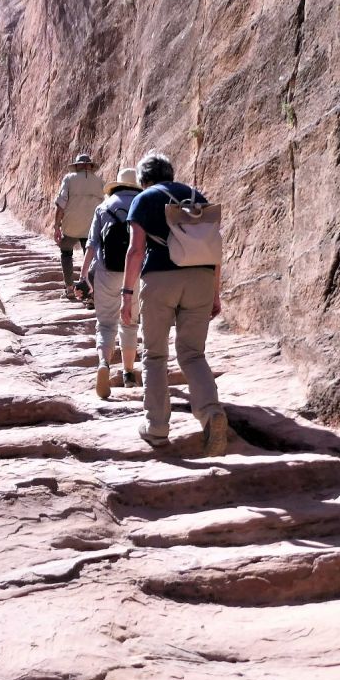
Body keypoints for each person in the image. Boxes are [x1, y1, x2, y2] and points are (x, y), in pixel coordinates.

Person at [121, 150, 229, 455]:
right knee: (193, 354)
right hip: (201, 279)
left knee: (155, 355)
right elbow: (214, 248)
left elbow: (136, 250)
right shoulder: (197, 196)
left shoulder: (144, 199)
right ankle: (211, 413)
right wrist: (215, 292)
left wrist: (127, 294)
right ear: (171, 174)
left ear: (143, 180)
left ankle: (156, 427)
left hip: (160, 279)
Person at [80, 166, 143, 398]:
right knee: (130, 323)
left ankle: (103, 365)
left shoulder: (103, 207)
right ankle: (128, 374)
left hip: (106, 272)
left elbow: (92, 243)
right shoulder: (142, 204)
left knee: (106, 324)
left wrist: (83, 275)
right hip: (135, 273)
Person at [53, 152, 104, 301]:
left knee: (66, 253)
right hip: (91, 227)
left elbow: (61, 204)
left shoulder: (69, 179)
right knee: (91, 259)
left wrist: (56, 226)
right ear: (90, 166)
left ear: (77, 166)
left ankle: (69, 289)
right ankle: (91, 294)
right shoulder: (99, 181)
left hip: (71, 225)